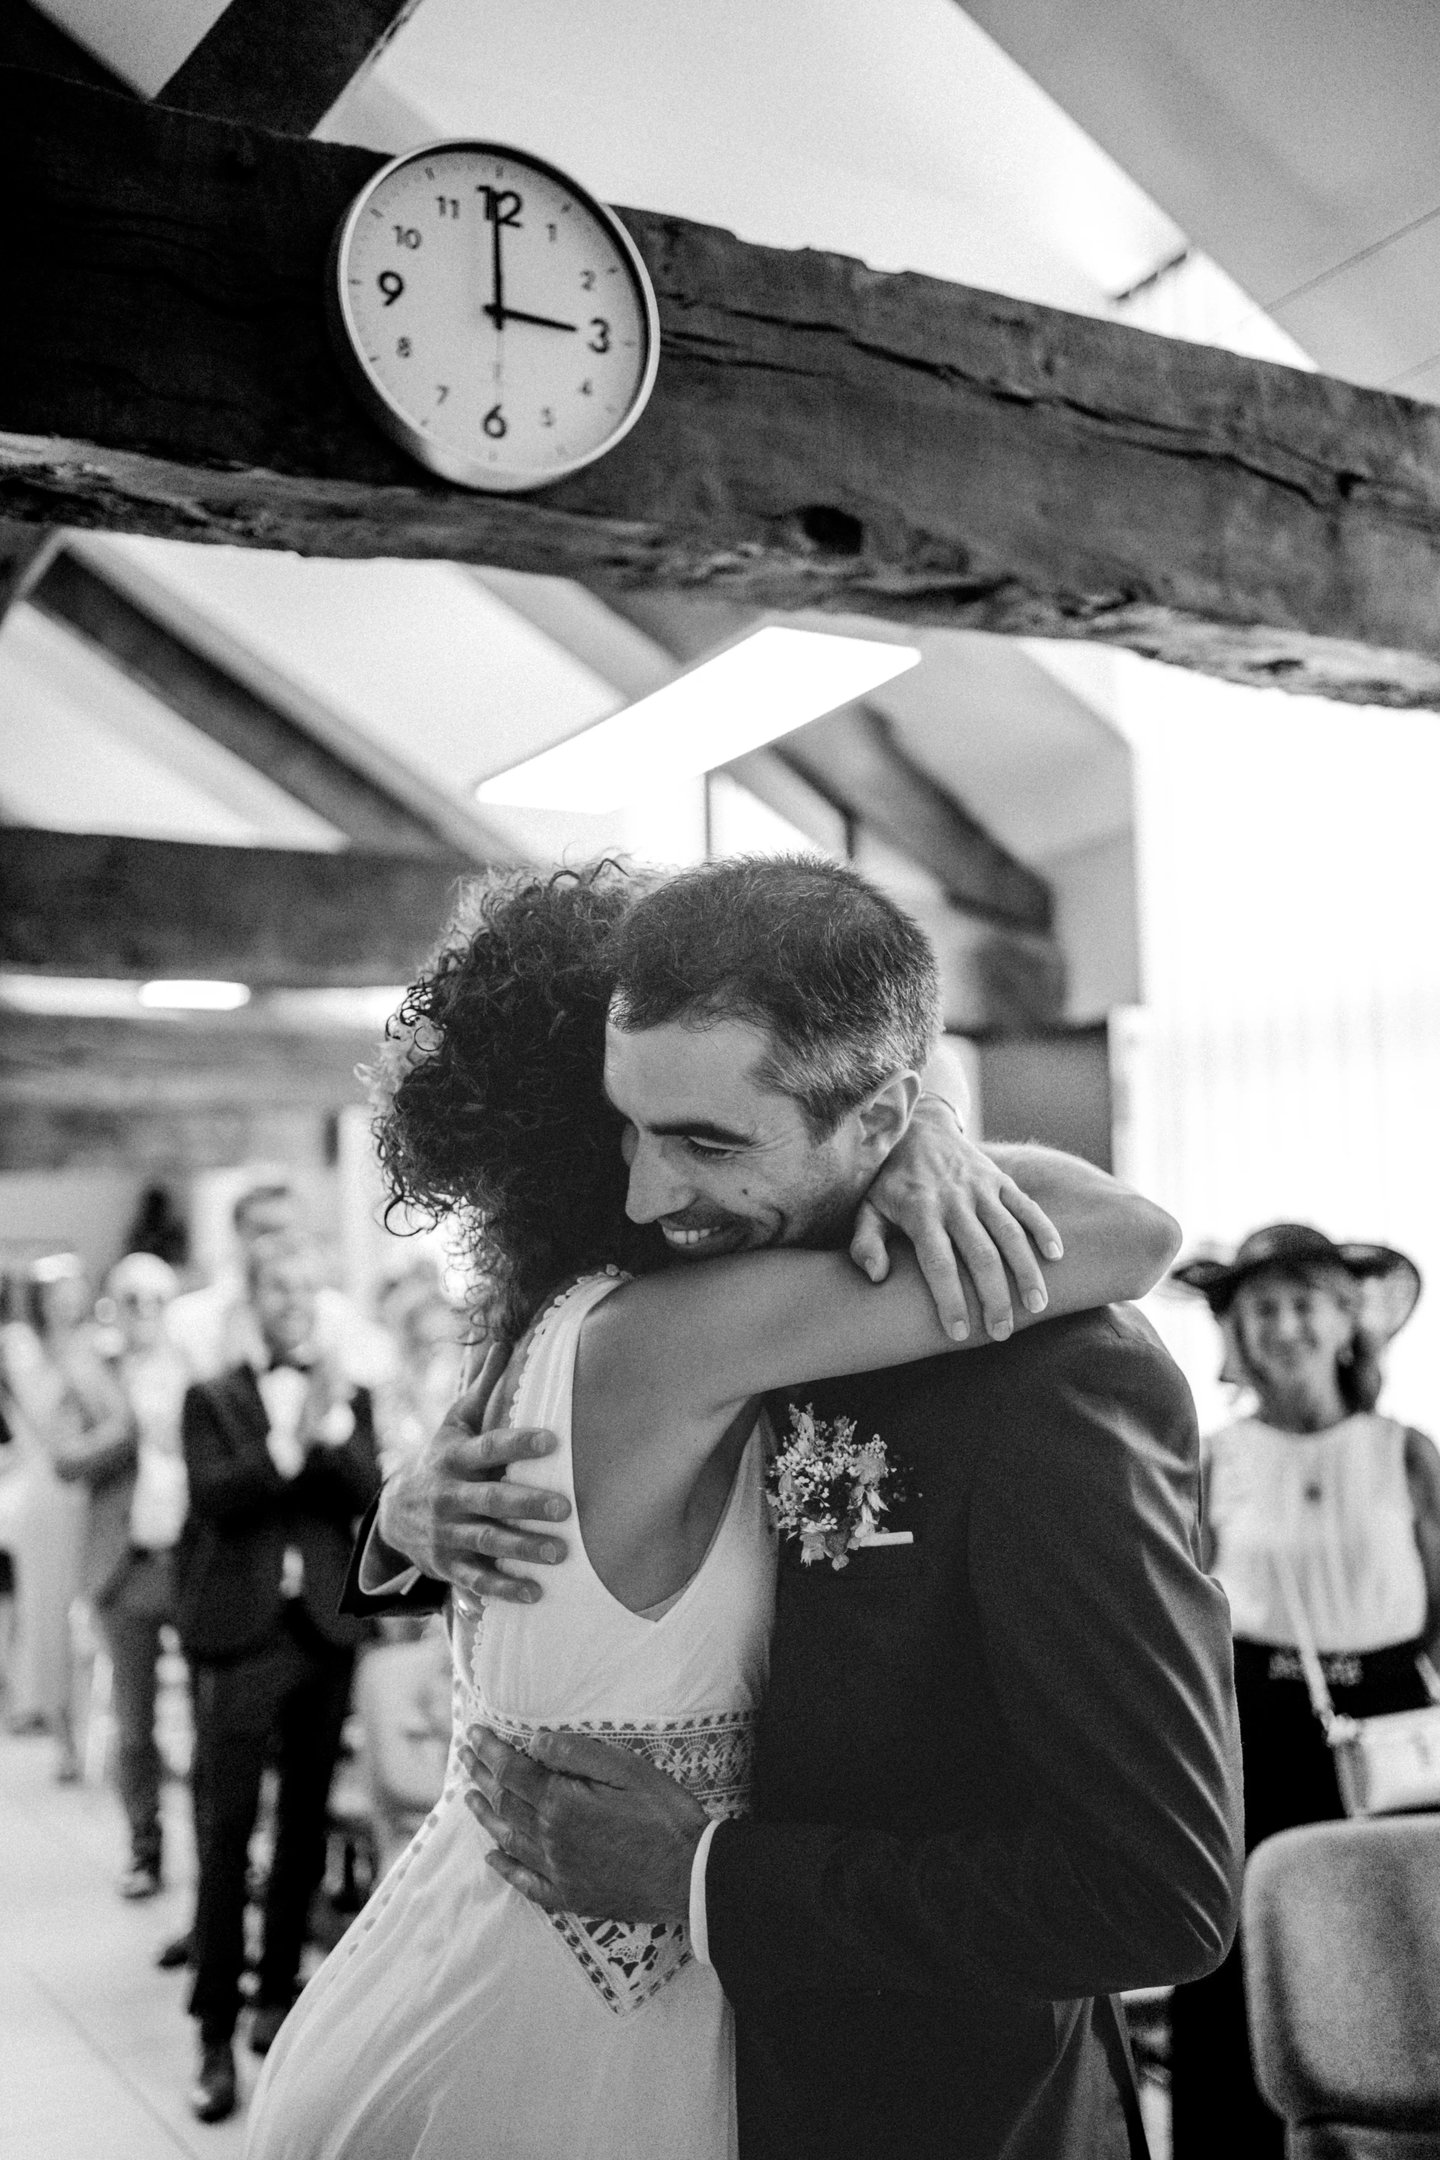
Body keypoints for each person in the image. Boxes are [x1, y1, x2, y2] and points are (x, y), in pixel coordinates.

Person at [247, 857, 1240, 2160]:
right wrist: (402, 1517)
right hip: (673, 2067)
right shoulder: (652, 1315)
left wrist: (706, 1877)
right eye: (626, 1127)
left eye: (708, 1142)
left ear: (876, 1118)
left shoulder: (1057, 1377)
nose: (648, 1190)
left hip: (941, 2112)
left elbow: (1156, 1893)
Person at [1166, 1220, 1440, 2159]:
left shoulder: (1405, 1451)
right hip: (1252, 1723)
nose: (1284, 1326)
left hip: (1395, 1729)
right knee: (1243, 1945)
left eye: (1302, 1304)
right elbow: (1183, 1607)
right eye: (1262, 1309)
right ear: (1237, 1332)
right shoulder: (1211, 1459)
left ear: (1346, 1319)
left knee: (1399, 1944)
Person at [178, 1229, 381, 2125]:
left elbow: (369, 1496)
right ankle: (212, 2031)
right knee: (225, 1833)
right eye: (278, 1288)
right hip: (241, 1638)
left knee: (303, 1827)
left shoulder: (350, 1395)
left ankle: (275, 1994)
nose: (294, 1302)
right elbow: (215, 1497)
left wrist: (331, 1432)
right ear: (253, 1301)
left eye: (307, 1288)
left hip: (324, 1635)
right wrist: (289, 1442)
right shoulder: (212, 1398)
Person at [51, 1251, 189, 1896]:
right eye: (133, 1300)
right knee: (136, 1724)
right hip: (124, 1566)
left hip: (194, 1563)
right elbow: (65, 1459)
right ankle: (144, 1847)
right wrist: (127, 1429)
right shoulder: (92, 1376)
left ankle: (226, 1855)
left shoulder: (197, 1370)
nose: (145, 1313)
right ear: (114, 1307)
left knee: (216, 1717)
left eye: (158, 1300)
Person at [0, 1254, 129, 1781]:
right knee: (49, 1620)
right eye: (57, 1294)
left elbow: (117, 1419)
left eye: (75, 1292)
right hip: (49, 1499)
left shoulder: (103, 1348)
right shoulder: (24, 1350)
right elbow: (47, 1427)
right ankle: (65, 1738)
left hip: (98, 1497)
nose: (68, 1303)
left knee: (100, 1620)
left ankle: (108, 1735)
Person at [169, 1179, 395, 1393]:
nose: (277, 1243)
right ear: (237, 1233)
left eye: (288, 1231)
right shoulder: (189, 1317)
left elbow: (369, 1383)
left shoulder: (336, 1313)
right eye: (264, 1231)